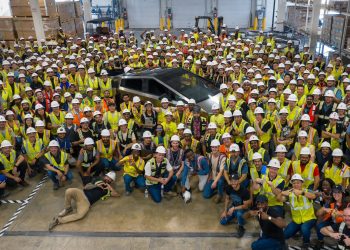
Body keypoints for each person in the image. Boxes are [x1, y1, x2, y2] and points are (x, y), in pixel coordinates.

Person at [48, 171, 119, 231]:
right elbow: (86, 187)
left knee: (80, 215)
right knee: (69, 191)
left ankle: (58, 221)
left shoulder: (107, 190)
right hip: (81, 193)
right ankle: (68, 208)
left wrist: (109, 187)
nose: (108, 179)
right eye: (107, 177)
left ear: (111, 182)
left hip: (86, 202)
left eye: (110, 180)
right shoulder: (97, 179)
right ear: (105, 176)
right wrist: (96, 185)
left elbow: (116, 194)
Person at [279, 174, 317, 249]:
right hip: (296, 221)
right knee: (285, 235)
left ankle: (306, 242)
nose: (296, 184)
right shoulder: (290, 194)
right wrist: (281, 193)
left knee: (304, 228)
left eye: (298, 183)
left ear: (302, 183)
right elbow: (279, 199)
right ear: (292, 184)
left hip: (309, 219)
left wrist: (302, 193)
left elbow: (313, 196)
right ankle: (298, 230)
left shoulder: (306, 190)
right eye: (294, 183)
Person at [315, 185, 347, 249]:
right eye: (334, 192)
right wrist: (324, 209)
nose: (336, 194)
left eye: (339, 192)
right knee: (319, 225)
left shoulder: (347, 203)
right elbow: (318, 214)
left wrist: (340, 214)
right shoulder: (330, 202)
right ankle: (320, 241)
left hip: (343, 223)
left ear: (342, 194)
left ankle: (343, 243)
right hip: (331, 221)